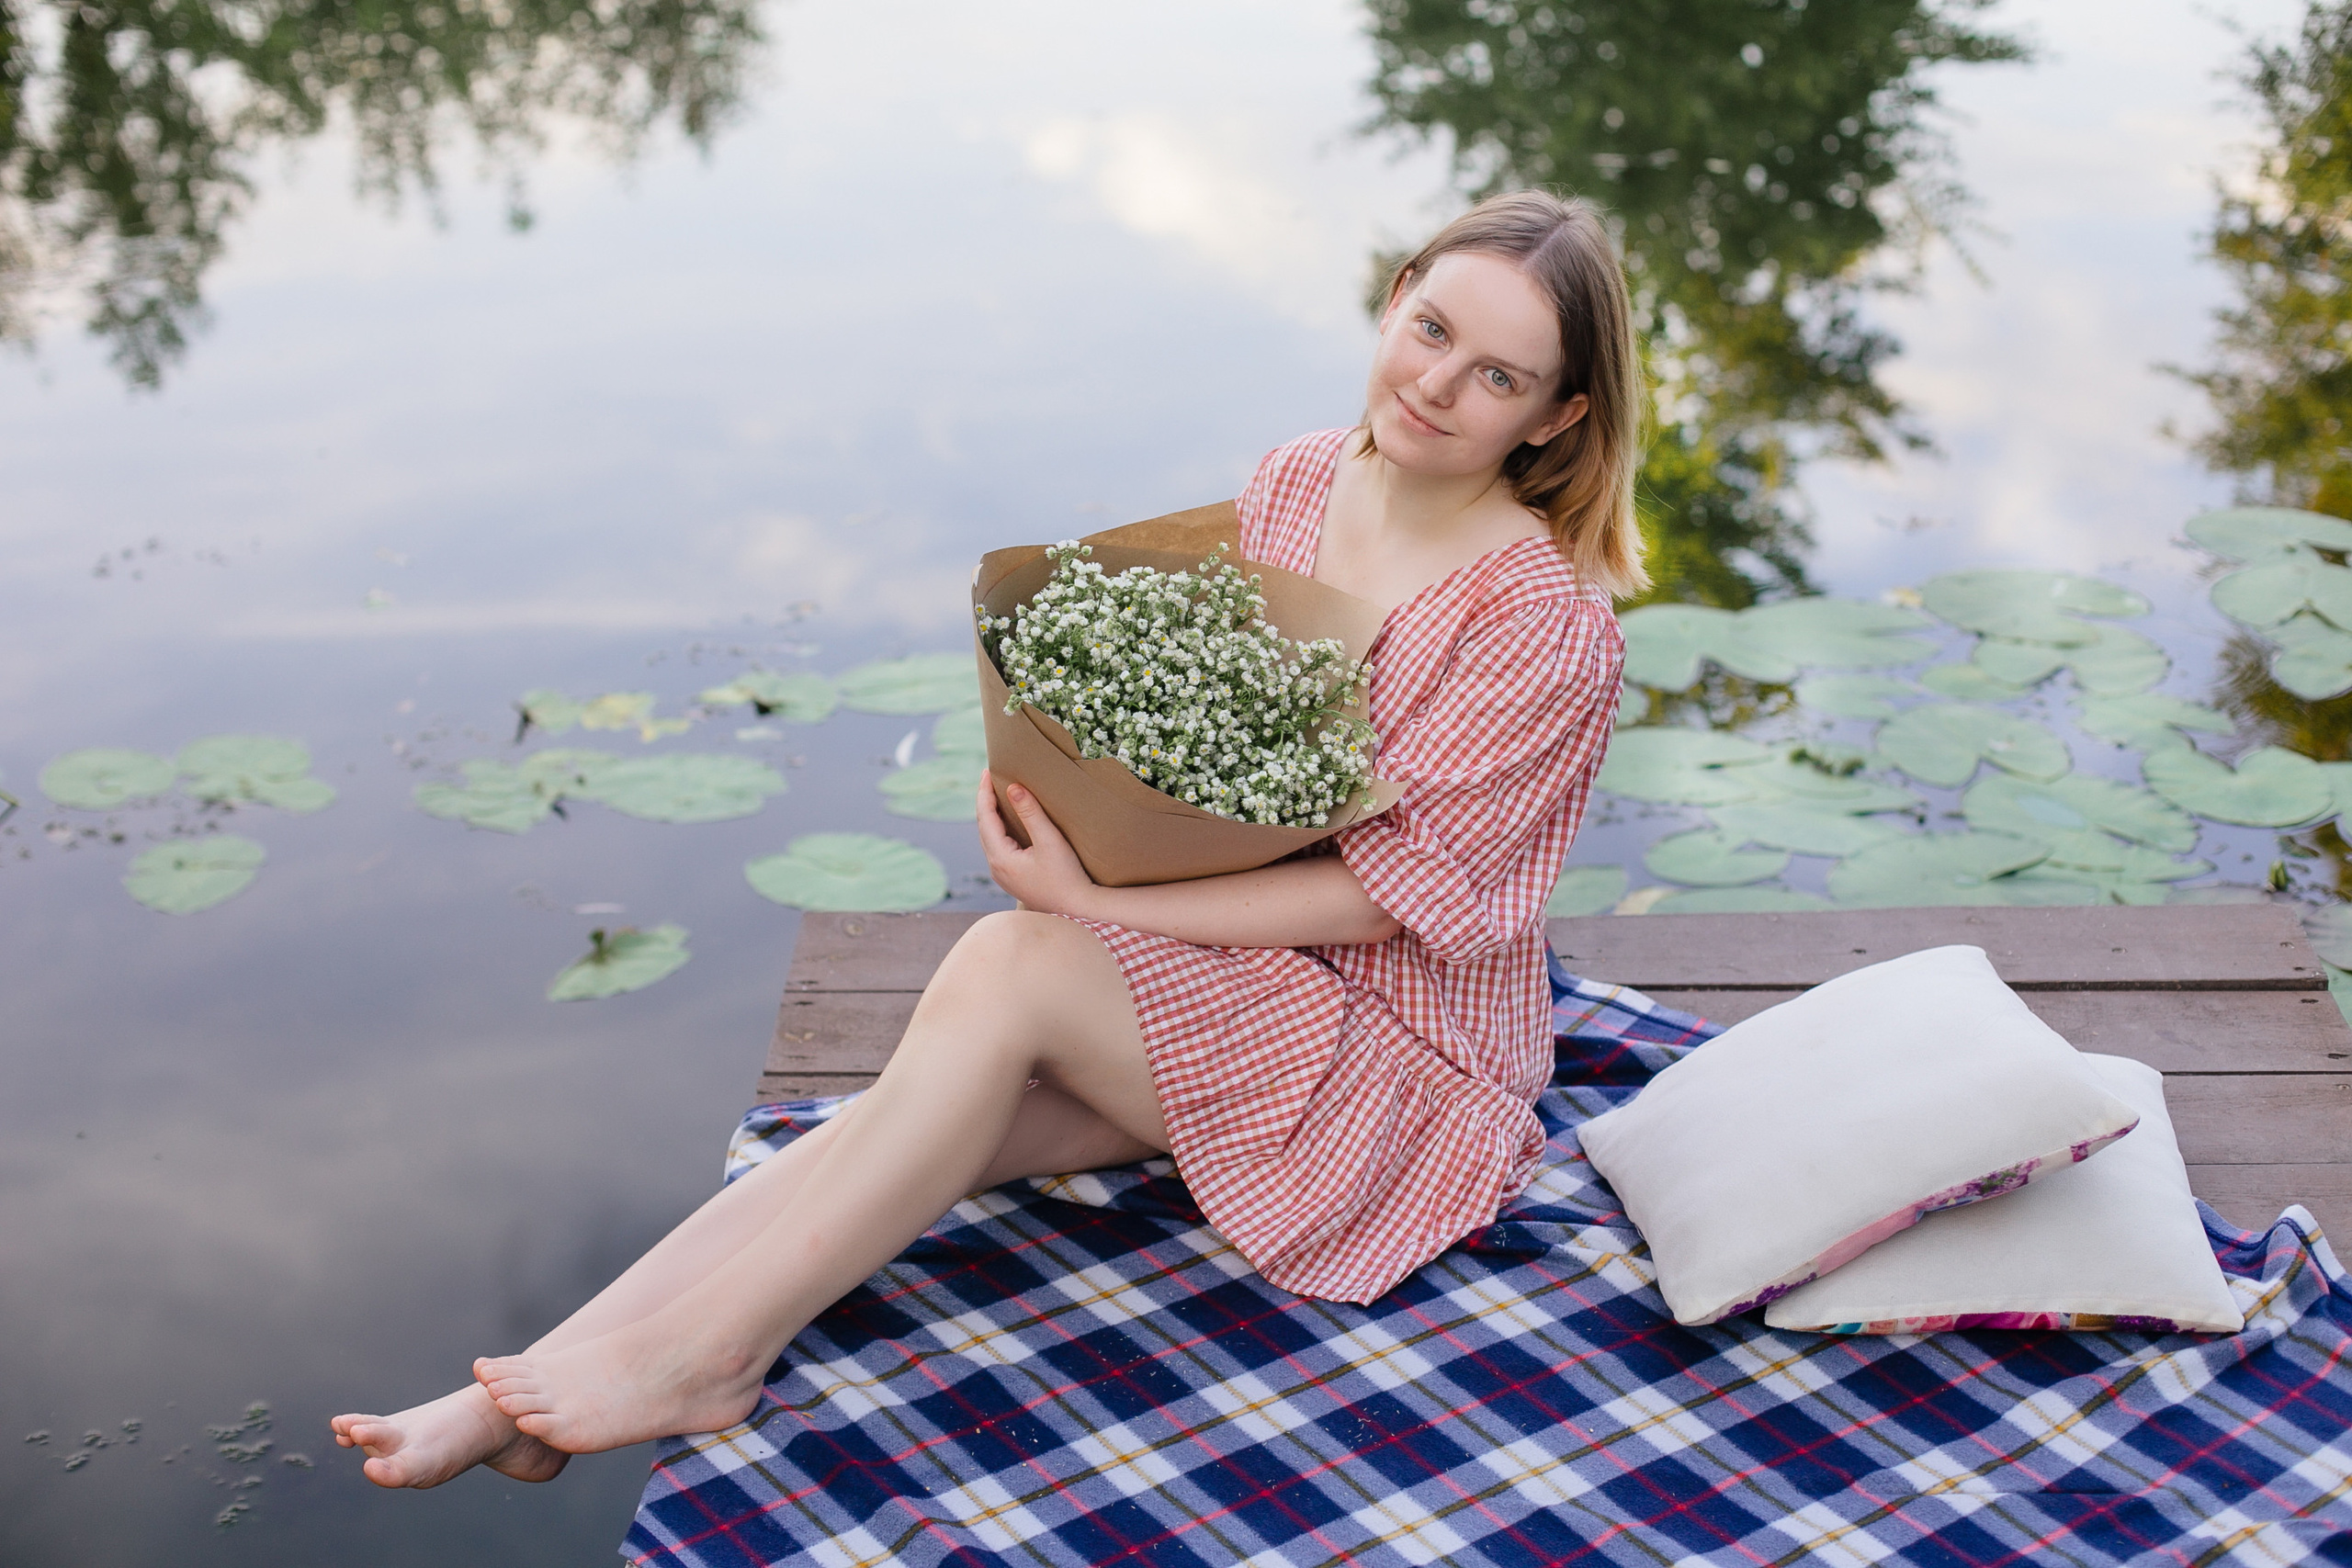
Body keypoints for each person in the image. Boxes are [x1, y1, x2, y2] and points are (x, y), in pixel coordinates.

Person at [330, 187, 1645, 1488]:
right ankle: (516, 1389)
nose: (1435, 386)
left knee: (1011, 969)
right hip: (1233, 997)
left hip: (1398, 1061)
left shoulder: (1542, 625)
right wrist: (1072, 785)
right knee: (900, 1122)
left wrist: (1096, 908)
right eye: (1429, 330)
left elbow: (1390, 900)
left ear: (1557, 415)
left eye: (1496, 377)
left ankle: (716, 1356)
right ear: (1395, 293)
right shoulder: (1301, 475)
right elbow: (1228, 757)